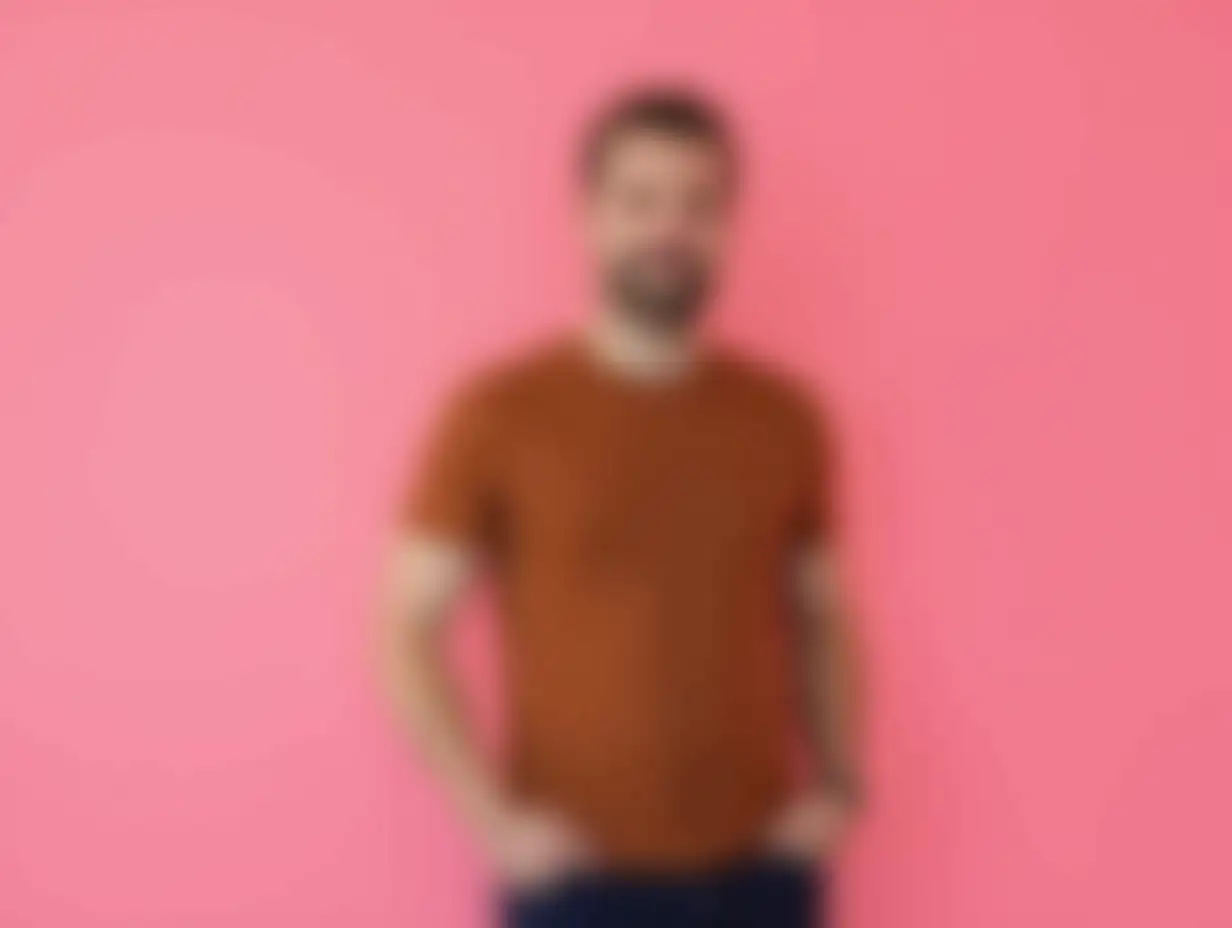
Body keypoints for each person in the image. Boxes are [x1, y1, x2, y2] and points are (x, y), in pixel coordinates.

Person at [381, 87, 864, 928]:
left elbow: (821, 612)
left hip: (763, 879)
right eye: (639, 199)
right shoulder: (501, 413)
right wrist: (487, 818)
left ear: (726, 225)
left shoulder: (785, 417)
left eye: (697, 203)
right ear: (588, 217)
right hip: (580, 886)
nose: (668, 228)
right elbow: (402, 627)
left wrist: (840, 783)